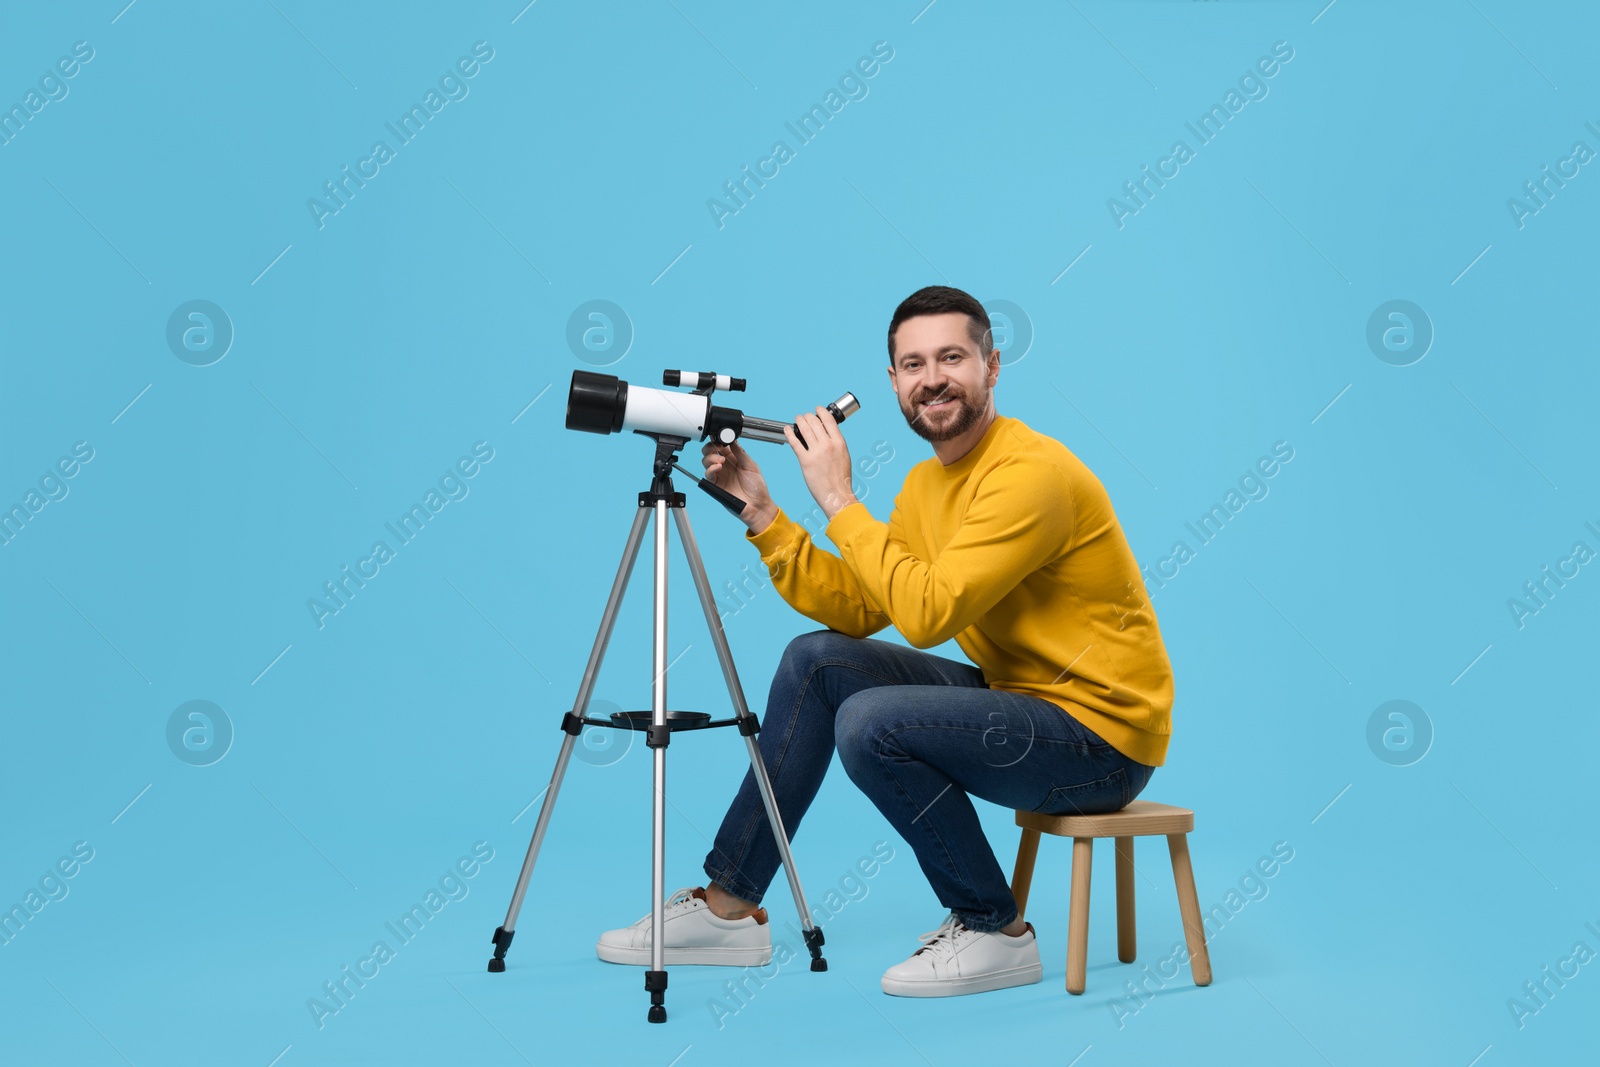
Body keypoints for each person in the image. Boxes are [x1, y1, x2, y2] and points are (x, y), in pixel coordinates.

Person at [596, 285, 1174, 997]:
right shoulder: (927, 486)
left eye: (952, 357)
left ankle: (994, 928)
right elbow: (863, 604)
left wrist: (839, 499)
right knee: (817, 661)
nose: (932, 377)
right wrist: (766, 513)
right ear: (893, 381)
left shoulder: (1031, 474)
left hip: (1101, 741)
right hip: (1018, 701)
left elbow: (928, 614)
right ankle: (730, 906)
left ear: (993, 367)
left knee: (872, 721)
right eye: (913, 363)